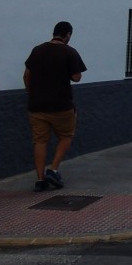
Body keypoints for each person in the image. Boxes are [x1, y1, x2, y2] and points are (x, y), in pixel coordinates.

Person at [23, 21, 87, 192]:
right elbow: (76, 77)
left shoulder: (37, 50)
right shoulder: (69, 51)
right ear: (68, 35)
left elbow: (26, 74)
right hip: (61, 105)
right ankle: (53, 169)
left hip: (36, 105)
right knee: (66, 136)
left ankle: (40, 180)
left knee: (40, 141)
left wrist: (32, 92)